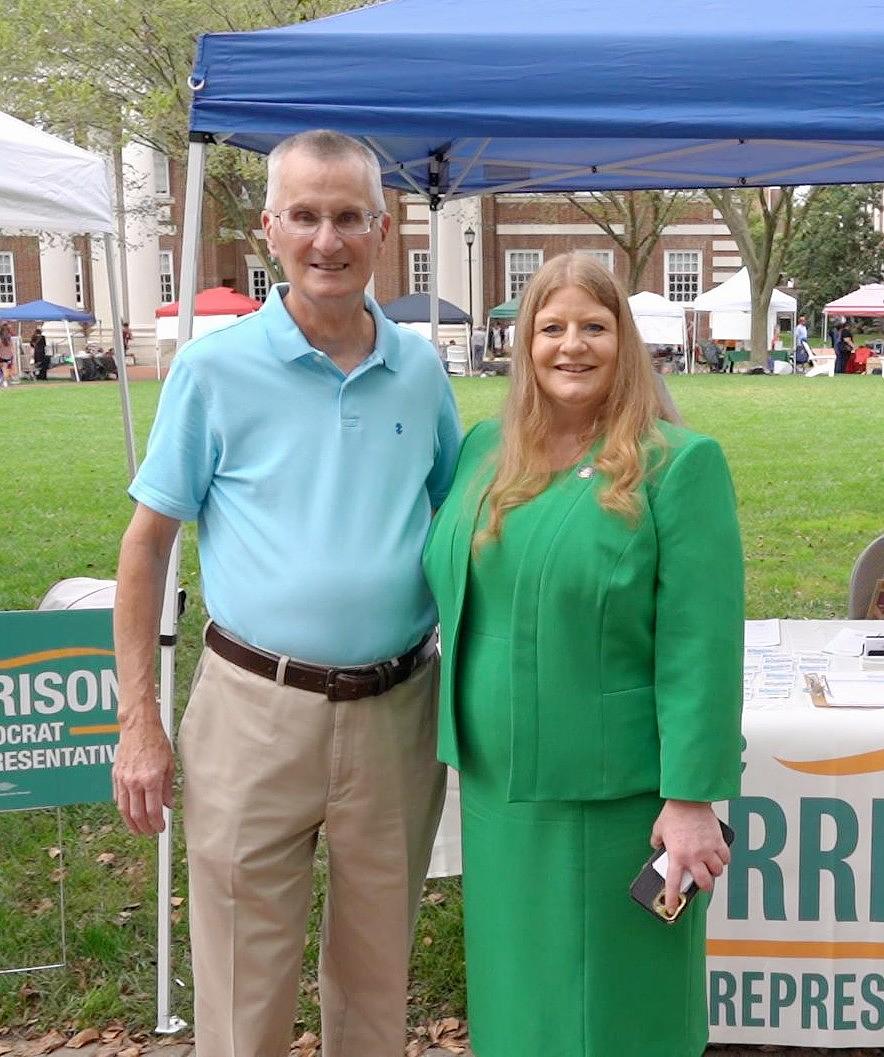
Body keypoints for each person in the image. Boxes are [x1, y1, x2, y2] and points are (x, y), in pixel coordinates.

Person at [112, 129, 461, 1057]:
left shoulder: (421, 370)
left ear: (382, 229)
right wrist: (139, 722)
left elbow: (461, 526)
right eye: (304, 215)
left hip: (397, 709)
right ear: (269, 229)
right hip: (251, 712)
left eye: (348, 216)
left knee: (377, 980)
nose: (326, 239)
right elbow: (146, 548)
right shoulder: (213, 369)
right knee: (241, 986)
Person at [423, 252, 744, 1057]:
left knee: (617, 1012)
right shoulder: (485, 448)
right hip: (497, 791)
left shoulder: (678, 463)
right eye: (552, 326)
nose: (572, 344)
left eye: (594, 326)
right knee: (520, 1004)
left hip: (615, 799)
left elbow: (702, 643)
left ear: (624, 340)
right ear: (523, 342)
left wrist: (691, 798)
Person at [0, 322, 13, 386]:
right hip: (9, 356)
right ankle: (5, 381)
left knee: (3, 369)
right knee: (7, 369)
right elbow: (11, 348)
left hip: (1, 356)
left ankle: (3, 380)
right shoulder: (9, 338)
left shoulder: (1, 339)